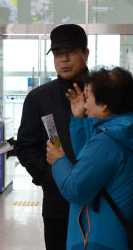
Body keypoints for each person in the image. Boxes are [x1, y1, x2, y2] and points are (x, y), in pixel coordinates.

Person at [46, 67, 133, 250]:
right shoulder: (124, 129)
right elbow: (88, 160)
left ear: (104, 104)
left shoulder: (108, 142)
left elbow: (76, 189)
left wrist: (58, 161)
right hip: (114, 235)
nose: (84, 102)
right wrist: (79, 120)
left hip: (98, 240)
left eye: (88, 96)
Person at [15, 24, 89, 250]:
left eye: (71, 52)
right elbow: (26, 146)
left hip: (101, 202)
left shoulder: (102, 92)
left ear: (85, 53)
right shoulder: (39, 98)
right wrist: (51, 178)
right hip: (58, 205)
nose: (64, 59)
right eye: (58, 53)